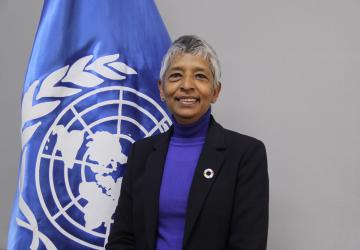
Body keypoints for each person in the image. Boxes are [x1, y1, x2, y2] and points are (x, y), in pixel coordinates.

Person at [106, 35, 269, 250]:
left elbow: (248, 244)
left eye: (200, 76)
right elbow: (122, 239)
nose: (187, 85)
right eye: (175, 76)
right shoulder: (142, 153)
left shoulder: (246, 154)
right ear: (161, 89)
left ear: (215, 91)